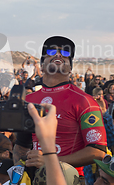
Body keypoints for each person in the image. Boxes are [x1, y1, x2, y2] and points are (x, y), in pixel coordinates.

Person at [14, 36, 107, 174]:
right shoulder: (28, 100)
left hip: (69, 184)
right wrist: (20, 177)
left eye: (65, 53)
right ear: (42, 65)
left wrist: (51, 161)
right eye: (51, 52)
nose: (58, 54)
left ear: (70, 68)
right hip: (33, 184)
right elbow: (21, 145)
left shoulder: (84, 101)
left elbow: (98, 152)